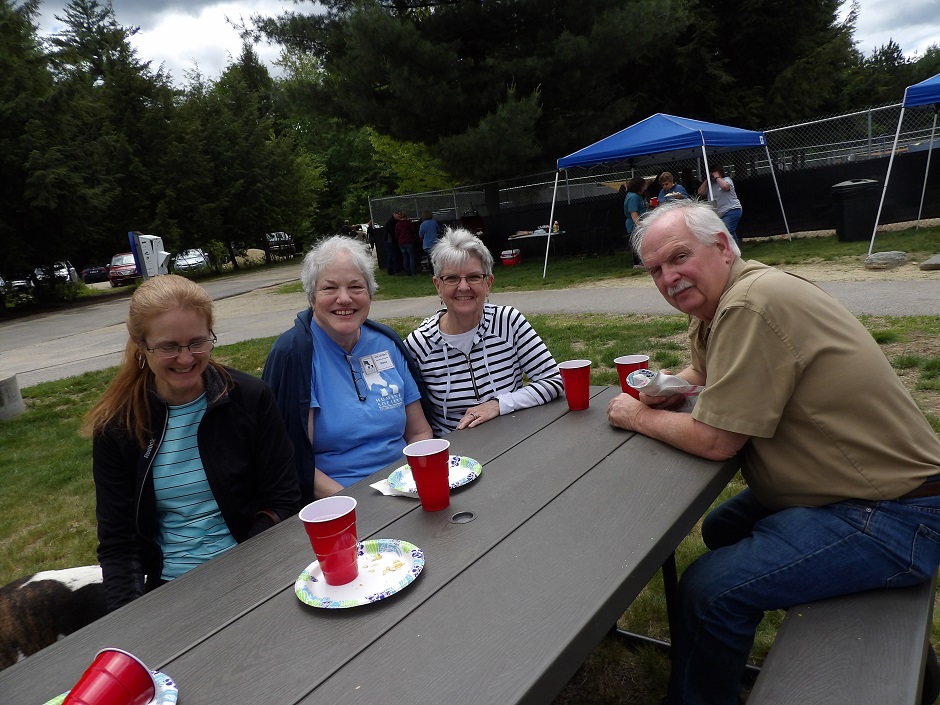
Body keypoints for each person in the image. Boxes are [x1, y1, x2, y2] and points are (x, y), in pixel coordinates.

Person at [608, 199, 940, 705]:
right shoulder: (726, 297)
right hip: (851, 487)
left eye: (678, 258)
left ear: (721, 246)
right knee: (723, 528)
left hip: (895, 514)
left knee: (708, 591)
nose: (669, 278)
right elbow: (705, 373)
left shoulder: (748, 305)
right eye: (656, 269)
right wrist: (671, 385)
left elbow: (717, 443)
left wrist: (638, 415)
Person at [83, 275, 301, 613]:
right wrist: (128, 622)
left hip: (257, 568)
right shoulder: (117, 427)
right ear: (141, 345)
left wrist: (245, 565)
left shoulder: (250, 398)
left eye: (197, 343)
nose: (185, 359)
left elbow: (284, 498)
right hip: (173, 589)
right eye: (168, 346)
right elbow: (118, 543)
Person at [262, 236, 434, 502]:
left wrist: (418, 483)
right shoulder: (296, 355)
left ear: (369, 293)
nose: (344, 298)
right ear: (311, 297)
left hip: (405, 487)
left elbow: (419, 432)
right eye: (330, 288)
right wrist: (358, 503)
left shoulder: (387, 343)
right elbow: (297, 462)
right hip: (339, 501)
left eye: (356, 287)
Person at [405, 228, 563, 435]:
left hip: (513, 439)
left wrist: (499, 404)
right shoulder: (419, 344)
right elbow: (412, 419)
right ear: (438, 286)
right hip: (455, 455)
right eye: (451, 278)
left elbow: (554, 380)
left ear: (488, 284)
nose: (463, 287)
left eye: (473, 277)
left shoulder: (508, 322)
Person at [697, 165, 743, 243]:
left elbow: (725, 187)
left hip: (731, 210)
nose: (713, 176)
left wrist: (717, 177)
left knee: (725, 230)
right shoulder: (711, 185)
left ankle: (733, 251)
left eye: (714, 173)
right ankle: (735, 250)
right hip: (719, 214)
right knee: (729, 232)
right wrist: (707, 179)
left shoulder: (726, 180)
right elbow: (700, 192)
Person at [623, 176, 647, 265]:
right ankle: (638, 263)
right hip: (635, 224)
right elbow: (633, 212)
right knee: (637, 244)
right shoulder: (633, 197)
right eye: (643, 186)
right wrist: (639, 225)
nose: (644, 188)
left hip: (636, 222)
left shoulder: (634, 195)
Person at [396, 211, 420, 276]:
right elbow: (413, 231)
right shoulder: (408, 223)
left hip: (401, 242)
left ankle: (407, 272)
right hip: (409, 241)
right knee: (411, 257)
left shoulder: (397, 225)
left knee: (405, 257)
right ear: (406, 217)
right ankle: (413, 272)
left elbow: (397, 234)